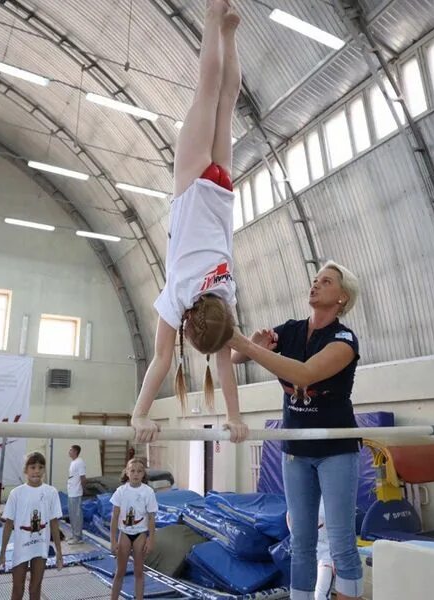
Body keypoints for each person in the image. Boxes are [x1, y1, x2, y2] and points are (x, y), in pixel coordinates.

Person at [130, 0, 247, 446]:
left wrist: (236, 418)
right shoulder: (179, 298)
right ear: (190, 327)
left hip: (221, 192)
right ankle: (215, 16)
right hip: (194, 187)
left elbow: (223, 361)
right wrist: (139, 413)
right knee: (207, 90)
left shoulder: (226, 293)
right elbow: (161, 360)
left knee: (227, 102)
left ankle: (230, 31)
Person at [229, 261, 363, 600]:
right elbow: (234, 357)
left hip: (336, 449)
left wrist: (250, 348)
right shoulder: (289, 331)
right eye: (315, 279)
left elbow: (304, 375)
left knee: (340, 543)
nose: (315, 285)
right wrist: (251, 345)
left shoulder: (344, 340)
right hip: (296, 451)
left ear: (342, 298)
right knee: (301, 543)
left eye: (326, 281)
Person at [0, 452, 63, 600]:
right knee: (18, 589)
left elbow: (53, 523)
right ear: (26, 470)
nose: (37, 471)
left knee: (35, 588)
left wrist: (58, 551)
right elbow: (8, 525)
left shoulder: (51, 492)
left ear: (44, 470)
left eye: (40, 467)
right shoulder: (16, 493)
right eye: (32, 467)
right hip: (22, 549)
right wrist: (2, 553)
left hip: (40, 547)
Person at [109, 457, 156, 600]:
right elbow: (115, 517)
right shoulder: (121, 491)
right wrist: (113, 540)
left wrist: (150, 539)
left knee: (139, 572)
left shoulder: (148, 492)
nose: (136, 474)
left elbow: (152, 518)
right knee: (120, 571)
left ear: (143, 474)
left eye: (139, 471)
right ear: (127, 473)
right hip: (124, 533)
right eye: (133, 471)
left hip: (140, 534)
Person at [67, 445, 87, 544]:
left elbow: (83, 478)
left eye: (70, 450)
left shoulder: (79, 462)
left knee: (77, 515)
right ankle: (74, 534)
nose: (69, 451)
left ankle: (78, 537)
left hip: (76, 492)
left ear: (75, 451)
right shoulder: (73, 462)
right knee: (72, 515)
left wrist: (83, 490)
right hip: (71, 492)